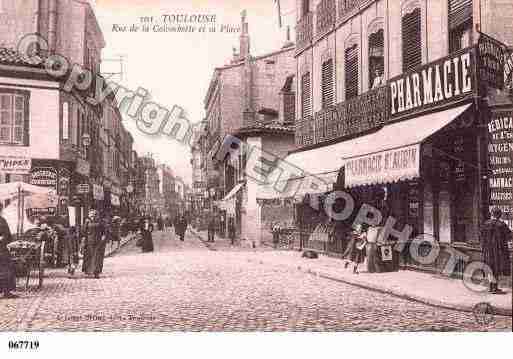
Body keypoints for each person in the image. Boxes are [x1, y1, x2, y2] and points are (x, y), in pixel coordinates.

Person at [480, 208, 512, 294]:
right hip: (498, 250)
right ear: (499, 215)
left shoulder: (485, 223)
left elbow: (481, 236)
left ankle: (491, 287)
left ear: (492, 214)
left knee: (490, 268)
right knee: (496, 269)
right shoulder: (501, 225)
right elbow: (509, 236)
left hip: (487, 250)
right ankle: (495, 287)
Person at [81, 209, 106, 279]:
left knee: (97, 256)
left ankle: (96, 272)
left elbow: (104, 230)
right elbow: (83, 231)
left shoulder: (100, 221)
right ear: (89, 215)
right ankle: (89, 271)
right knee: (90, 256)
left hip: (98, 241)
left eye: (94, 214)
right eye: (91, 214)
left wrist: (103, 237)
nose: (92, 215)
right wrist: (84, 240)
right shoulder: (87, 221)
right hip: (89, 241)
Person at [0, 203, 18, 299]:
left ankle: (6, 292)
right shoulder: (2, 220)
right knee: (6, 269)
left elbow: (7, 236)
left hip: (1, 249)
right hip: (2, 250)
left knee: (6, 269)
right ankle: (6, 292)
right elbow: (7, 236)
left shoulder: (2, 220)